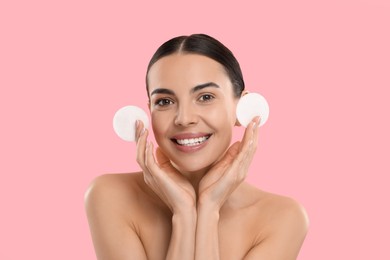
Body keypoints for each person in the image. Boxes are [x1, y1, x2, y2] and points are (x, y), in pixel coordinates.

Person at [84, 34, 309, 260]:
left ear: (242, 107)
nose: (184, 118)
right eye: (164, 101)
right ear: (149, 110)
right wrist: (183, 214)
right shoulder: (110, 195)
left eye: (206, 97)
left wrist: (209, 209)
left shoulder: (283, 218)